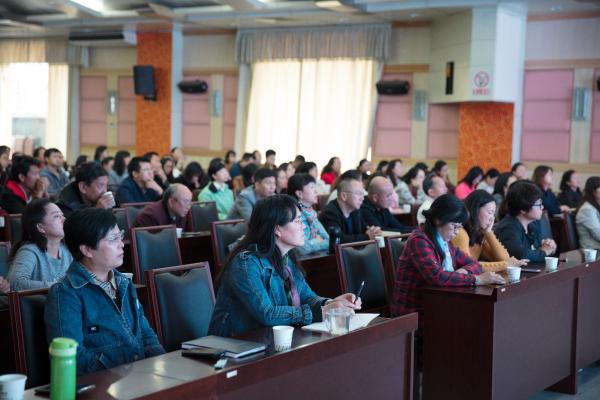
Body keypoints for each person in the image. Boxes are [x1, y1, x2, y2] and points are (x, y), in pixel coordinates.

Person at [208, 195, 361, 337]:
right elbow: (267, 314)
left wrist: (332, 304)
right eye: (298, 221)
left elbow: (307, 297)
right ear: (277, 229)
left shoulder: (286, 258)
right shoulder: (246, 263)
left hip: (269, 339)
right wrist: (323, 311)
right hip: (235, 344)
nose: (304, 227)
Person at [45, 208, 165, 375]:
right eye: (113, 239)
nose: (121, 244)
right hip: (105, 384)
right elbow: (73, 359)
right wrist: (125, 373)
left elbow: (147, 336)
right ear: (87, 250)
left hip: (141, 378)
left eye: (120, 236)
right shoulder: (65, 293)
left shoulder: (124, 282)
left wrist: (163, 366)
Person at [390, 194, 504, 324]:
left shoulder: (444, 241)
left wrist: (463, 271)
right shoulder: (419, 241)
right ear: (439, 220)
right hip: (414, 313)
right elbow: (437, 277)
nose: (457, 232)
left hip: (438, 303)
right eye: (455, 226)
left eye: (460, 227)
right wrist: (477, 279)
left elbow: (474, 263)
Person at [452, 190, 527, 272]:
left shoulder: (480, 233)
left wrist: (488, 233)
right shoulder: (460, 232)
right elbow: (468, 266)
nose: (492, 219)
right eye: (490, 212)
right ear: (475, 210)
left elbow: (504, 258)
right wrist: (505, 265)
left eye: (493, 214)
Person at [8, 199, 72, 290]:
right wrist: (56, 286)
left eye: (62, 215)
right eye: (57, 216)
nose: (64, 219)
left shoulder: (66, 250)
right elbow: (15, 283)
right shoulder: (29, 251)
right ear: (40, 227)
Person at [494, 181, 557, 262]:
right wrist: (544, 252)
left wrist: (550, 246)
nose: (542, 207)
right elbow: (520, 256)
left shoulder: (532, 224)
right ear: (523, 209)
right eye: (538, 204)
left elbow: (539, 248)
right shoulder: (508, 228)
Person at [319, 177, 381, 243]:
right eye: (358, 194)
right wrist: (367, 237)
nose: (362, 198)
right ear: (344, 196)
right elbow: (338, 240)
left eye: (362, 194)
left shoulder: (355, 211)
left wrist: (373, 231)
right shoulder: (329, 213)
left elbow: (364, 230)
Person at [288, 174, 329, 254]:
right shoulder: (293, 215)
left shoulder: (312, 214)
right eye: (312, 187)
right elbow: (303, 248)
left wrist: (313, 242)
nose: (316, 191)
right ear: (299, 193)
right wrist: (317, 240)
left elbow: (329, 240)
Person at [575, 177, 600, 250]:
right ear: (593, 190)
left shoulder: (596, 205)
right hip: (592, 250)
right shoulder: (587, 209)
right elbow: (598, 235)